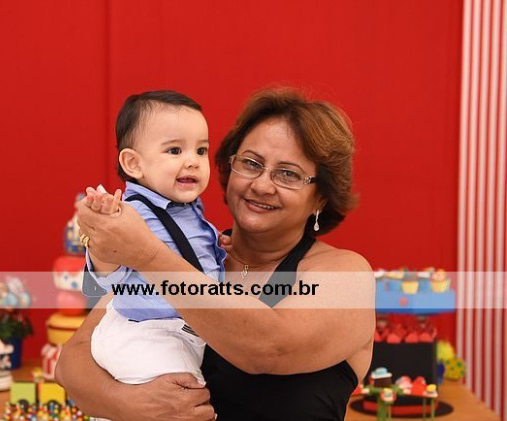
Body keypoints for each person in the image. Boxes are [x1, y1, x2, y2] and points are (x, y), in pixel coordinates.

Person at [56, 88, 375, 421]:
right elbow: (71, 360)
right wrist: (130, 404)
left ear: (320, 197)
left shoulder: (345, 273)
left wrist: (148, 256)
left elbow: (267, 346)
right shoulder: (184, 251)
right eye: (251, 163)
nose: (262, 185)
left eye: (288, 174)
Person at [83, 90, 226, 389]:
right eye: (175, 150)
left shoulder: (187, 209)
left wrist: (218, 248)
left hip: (183, 328)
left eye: (201, 150)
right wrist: (101, 238)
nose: (193, 161)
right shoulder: (129, 213)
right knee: (185, 393)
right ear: (133, 164)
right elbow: (107, 275)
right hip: (146, 332)